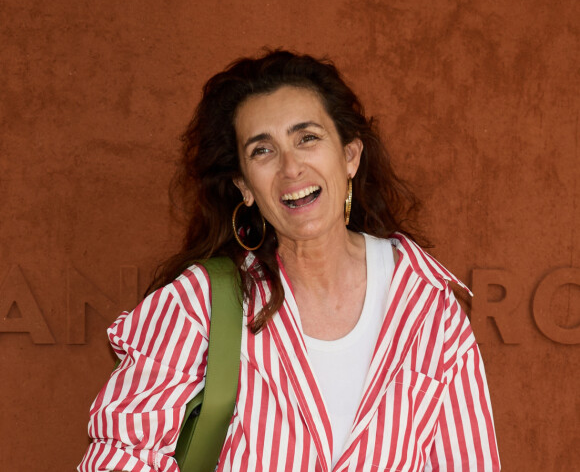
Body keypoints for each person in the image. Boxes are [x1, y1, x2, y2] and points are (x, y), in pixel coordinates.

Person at [79, 50, 500, 472]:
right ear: (244, 185)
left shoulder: (429, 305)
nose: (291, 168)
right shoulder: (200, 304)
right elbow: (119, 457)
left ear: (350, 155)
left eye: (307, 138)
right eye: (263, 150)